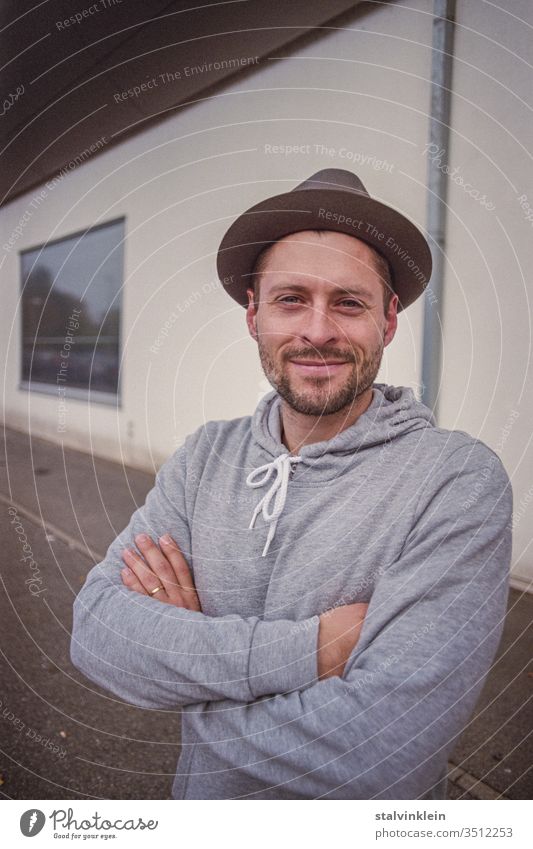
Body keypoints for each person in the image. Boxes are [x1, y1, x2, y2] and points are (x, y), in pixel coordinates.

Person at [70, 169, 513, 800]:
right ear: (253, 315)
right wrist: (309, 651)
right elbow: (97, 635)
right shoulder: (204, 459)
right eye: (290, 299)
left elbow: (382, 751)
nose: (318, 330)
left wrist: (188, 679)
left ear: (389, 320)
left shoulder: (454, 481)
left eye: (349, 302)